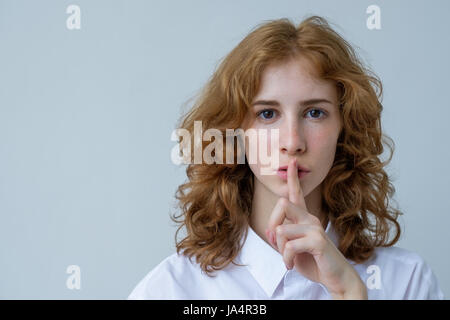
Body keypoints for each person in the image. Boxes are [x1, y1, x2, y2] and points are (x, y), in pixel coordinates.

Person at [128, 15, 445, 300]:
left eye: (315, 113)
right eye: (267, 114)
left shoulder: (407, 283)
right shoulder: (172, 290)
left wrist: (351, 295)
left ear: (343, 128)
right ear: (235, 133)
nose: (292, 142)